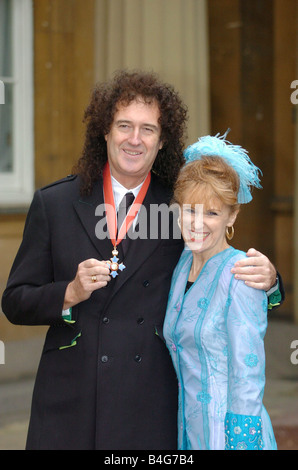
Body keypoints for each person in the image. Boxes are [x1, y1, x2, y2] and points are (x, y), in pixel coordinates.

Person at [1, 70, 282, 450]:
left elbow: (219, 265)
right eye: (124, 125)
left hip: (148, 403)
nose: (135, 139)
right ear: (104, 131)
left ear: (162, 139)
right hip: (70, 400)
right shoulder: (54, 204)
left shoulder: (182, 205)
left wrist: (271, 280)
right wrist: (68, 292)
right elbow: (15, 301)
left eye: (148, 129)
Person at [163, 133, 277, 450]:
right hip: (187, 432)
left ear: (232, 215)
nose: (198, 223)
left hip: (229, 438)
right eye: (190, 211)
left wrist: (241, 445)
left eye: (211, 213)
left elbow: (247, 375)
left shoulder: (241, 273)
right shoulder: (181, 264)